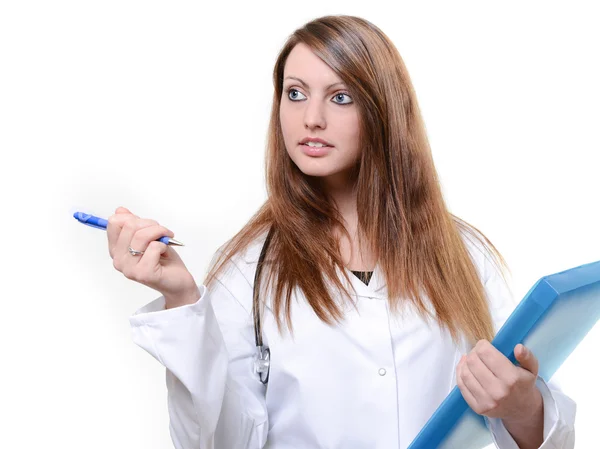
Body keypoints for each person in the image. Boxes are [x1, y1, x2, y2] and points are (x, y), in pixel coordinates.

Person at [107, 15, 576, 449]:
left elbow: (544, 435)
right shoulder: (249, 269)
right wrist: (184, 302)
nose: (311, 118)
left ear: (383, 110)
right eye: (295, 93)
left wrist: (523, 407)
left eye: (340, 96)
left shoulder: (463, 257)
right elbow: (214, 441)